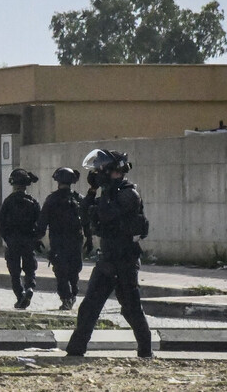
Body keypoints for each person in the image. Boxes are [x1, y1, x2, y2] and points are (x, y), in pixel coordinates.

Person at [65, 148, 153, 359]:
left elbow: (105, 215)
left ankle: (145, 351)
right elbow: (84, 212)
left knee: (131, 309)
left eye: (101, 171)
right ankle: (75, 351)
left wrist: (102, 194)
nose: (98, 174)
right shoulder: (108, 193)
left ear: (113, 171)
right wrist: (93, 190)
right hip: (107, 260)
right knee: (89, 308)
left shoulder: (128, 194)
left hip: (125, 261)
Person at [37, 167, 85, 310]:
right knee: (74, 270)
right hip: (76, 240)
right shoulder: (79, 198)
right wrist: (88, 238)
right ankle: (72, 295)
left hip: (58, 242)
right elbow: (87, 221)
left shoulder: (52, 199)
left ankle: (66, 297)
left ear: (58, 181)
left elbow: (42, 222)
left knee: (61, 271)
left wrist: (37, 238)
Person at [0, 168, 41, 309]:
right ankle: (29, 287)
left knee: (14, 272)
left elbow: (1, 223)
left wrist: (7, 239)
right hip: (28, 240)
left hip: (13, 241)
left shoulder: (8, 202)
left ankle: (20, 295)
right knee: (30, 268)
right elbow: (40, 222)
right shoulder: (33, 202)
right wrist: (36, 239)